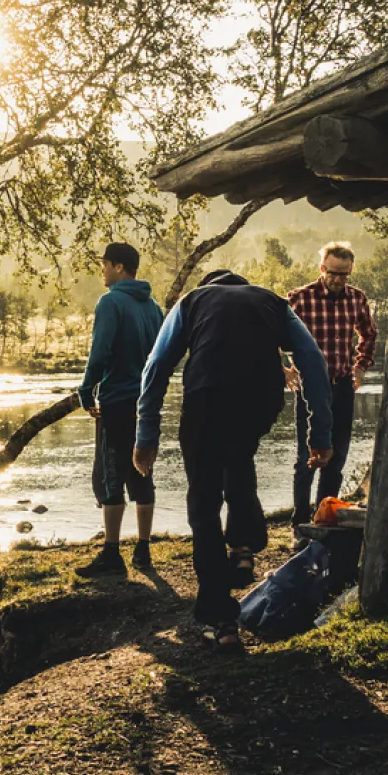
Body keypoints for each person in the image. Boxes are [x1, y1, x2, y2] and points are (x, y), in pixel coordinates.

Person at [134, 270, 333, 647]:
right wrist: (319, 435)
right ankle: (242, 545)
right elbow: (312, 361)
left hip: (206, 397)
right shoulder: (272, 302)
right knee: (239, 454)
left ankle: (220, 621)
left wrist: (146, 437)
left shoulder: (192, 301)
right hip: (259, 399)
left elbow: (156, 366)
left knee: (204, 502)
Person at [73, 242, 164, 576]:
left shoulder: (110, 302)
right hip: (146, 403)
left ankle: (112, 554)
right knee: (142, 470)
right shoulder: (153, 307)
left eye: (105, 265)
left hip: (116, 400)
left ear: (118, 267)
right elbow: (162, 357)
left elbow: (100, 352)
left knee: (110, 475)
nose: (102, 271)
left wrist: (86, 392)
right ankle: (143, 551)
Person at [283, 241, 375, 527]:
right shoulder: (300, 298)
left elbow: (369, 334)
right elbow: (268, 332)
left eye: (344, 274)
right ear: (322, 268)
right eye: (333, 272)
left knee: (337, 457)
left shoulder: (357, 298)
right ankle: (299, 524)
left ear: (350, 271)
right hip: (310, 389)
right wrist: (283, 369)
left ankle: (325, 519)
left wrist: (360, 367)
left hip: (343, 386)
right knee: (306, 458)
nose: (337, 279)